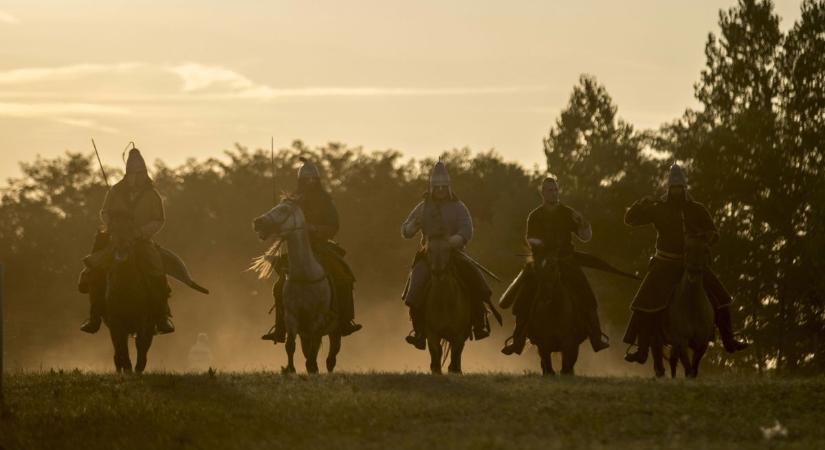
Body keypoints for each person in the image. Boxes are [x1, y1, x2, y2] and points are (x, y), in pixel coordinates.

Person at [623, 163, 748, 363]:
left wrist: (703, 240)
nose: (677, 191)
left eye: (680, 187)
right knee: (643, 303)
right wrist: (640, 206)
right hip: (665, 264)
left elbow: (713, 233)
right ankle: (642, 348)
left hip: (694, 264)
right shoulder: (658, 209)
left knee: (722, 298)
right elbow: (630, 220)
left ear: (685, 188)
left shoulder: (697, 209)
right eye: (674, 187)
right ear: (669, 188)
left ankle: (729, 340)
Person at [500, 177, 610, 355]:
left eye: (556, 190)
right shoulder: (534, 216)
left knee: (587, 296)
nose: (554, 193)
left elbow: (585, 236)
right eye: (550, 190)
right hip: (541, 263)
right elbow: (530, 239)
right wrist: (541, 246)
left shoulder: (568, 213)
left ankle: (596, 336)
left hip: (566, 262)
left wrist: (583, 223)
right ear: (542, 193)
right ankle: (518, 338)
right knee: (522, 300)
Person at [261, 158, 362, 342]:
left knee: (344, 277)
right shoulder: (292, 203)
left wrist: (314, 229)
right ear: (300, 182)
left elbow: (334, 225)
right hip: (295, 250)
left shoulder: (325, 201)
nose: (309, 183)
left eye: (312, 180)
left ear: (317, 181)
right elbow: (280, 220)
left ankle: (345, 321)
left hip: (320, 247)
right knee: (279, 286)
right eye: (305, 180)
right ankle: (280, 328)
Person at [80, 148, 175, 334]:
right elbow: (104, 212)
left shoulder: (152, 195)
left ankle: (162, 317)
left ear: (144, 173)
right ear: (127, 173)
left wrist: (140, 232)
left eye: (139, 173)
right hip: (115, 238)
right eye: (133, 174)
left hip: (141, 241)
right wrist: (114, 226)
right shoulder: (115, 191)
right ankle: (94, 317)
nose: (136, 178)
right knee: (95, 270)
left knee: (157, 270)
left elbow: (158, 219)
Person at [400, 160, 492, 350]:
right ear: (432, 187)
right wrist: (410, 228)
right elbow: (406, 228)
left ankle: (478, 323)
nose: (440, 190)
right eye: (437, 186)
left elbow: (467, 229)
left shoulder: (459, 207)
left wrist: (456, 240)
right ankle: (419, 332)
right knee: (415, 289)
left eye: (444, 186)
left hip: (454, 254)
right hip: (429, 255)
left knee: (476, 283)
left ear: (448, 187)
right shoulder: (423, 207)